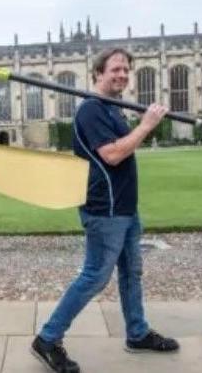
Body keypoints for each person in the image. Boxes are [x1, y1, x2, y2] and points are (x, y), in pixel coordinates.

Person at [31, 48, 179, 373]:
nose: (122, 75)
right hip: (105, 210)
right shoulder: (91, 110)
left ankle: (137, 333)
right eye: (116, 69)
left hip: (125, 208)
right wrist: (147, 125)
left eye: (126, 69)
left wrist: (138, 125)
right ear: (99, 72)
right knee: (95, 276)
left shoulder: (113, 109)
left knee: (131, 273)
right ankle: (48, 338)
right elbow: (112, 155)